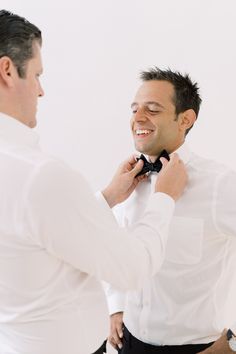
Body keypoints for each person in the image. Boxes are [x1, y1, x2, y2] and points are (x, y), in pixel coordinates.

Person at [0, 10, 187, 354]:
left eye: (153, 109)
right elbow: (131, 270)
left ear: (186, 119)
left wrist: (104, 198)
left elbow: (38, 236)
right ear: (7, 70)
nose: (41, 91)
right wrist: (164, 198)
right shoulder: (39, 177)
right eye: (38, 75)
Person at [106, 68, 236, 354]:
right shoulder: (127, 181)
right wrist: (116, 305)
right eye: (135, 109)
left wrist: (232, 343)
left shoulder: (220, 184)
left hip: (197, 348)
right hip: (129, 342)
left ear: (185, 119)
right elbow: (119, 249)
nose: (138, 118)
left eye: (152, 109)